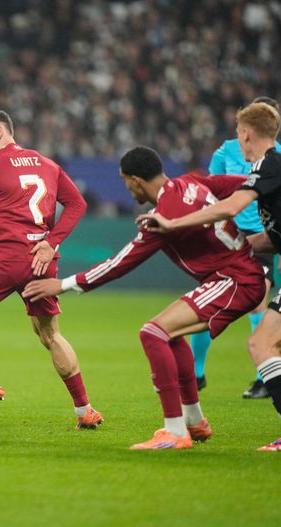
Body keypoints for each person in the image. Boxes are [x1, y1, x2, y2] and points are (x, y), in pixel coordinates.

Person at [25, 146, 265, 449]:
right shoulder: (191, 183)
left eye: (126, 181)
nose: (127, 187)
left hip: (235, 280)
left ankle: (175, 431)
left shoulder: (161, 217)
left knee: (153, 333)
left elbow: (118, 265)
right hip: (235, 275)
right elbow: (247, 183)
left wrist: (62, 285)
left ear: (136, 180)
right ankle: (194, 422)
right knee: (170, 334)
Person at [0, 108, 103, 430]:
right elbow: (77, 204)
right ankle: (84, 410)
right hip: (44, 260)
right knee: (50, 334)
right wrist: (50, 241)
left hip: (8, 257)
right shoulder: (49, 164)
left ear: (0, 131)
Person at [136, 101, 281, 451]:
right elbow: (274, 238)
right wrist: (239, 248)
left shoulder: (268, 165)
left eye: (239, 135)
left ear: (245, 134)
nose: (239, 141)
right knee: (265, 343)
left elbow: (230, 206)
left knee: (262, 344)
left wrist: (172, 223)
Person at [191, 96, 281, 398]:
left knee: (258, 305)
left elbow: (235, 201)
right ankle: (196, 372)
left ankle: (261, 379)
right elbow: (211, 188)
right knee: (207, 301)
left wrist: (178, 223)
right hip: (237, 237)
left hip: (263, 235)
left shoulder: (274, 159)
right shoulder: (226, 151)